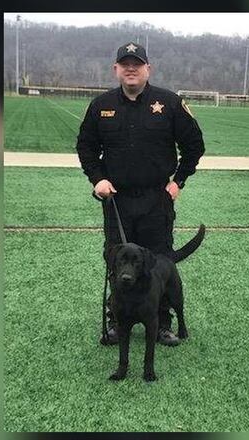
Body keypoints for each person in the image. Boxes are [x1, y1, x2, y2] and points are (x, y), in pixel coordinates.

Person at [75, 42, 205, 346]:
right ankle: (117, 322)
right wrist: (97, 179)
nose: (131, 68)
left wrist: (178, 182)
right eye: (125, 64)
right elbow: (86, 147)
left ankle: (160, 323)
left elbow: (194, 146)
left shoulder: (170, 103)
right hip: (116, 200)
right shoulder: (100, 105)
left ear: (148, 68)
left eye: (137, 63)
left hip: (156, 200)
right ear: (116, 69)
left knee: (158, 261)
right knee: (118, 261)